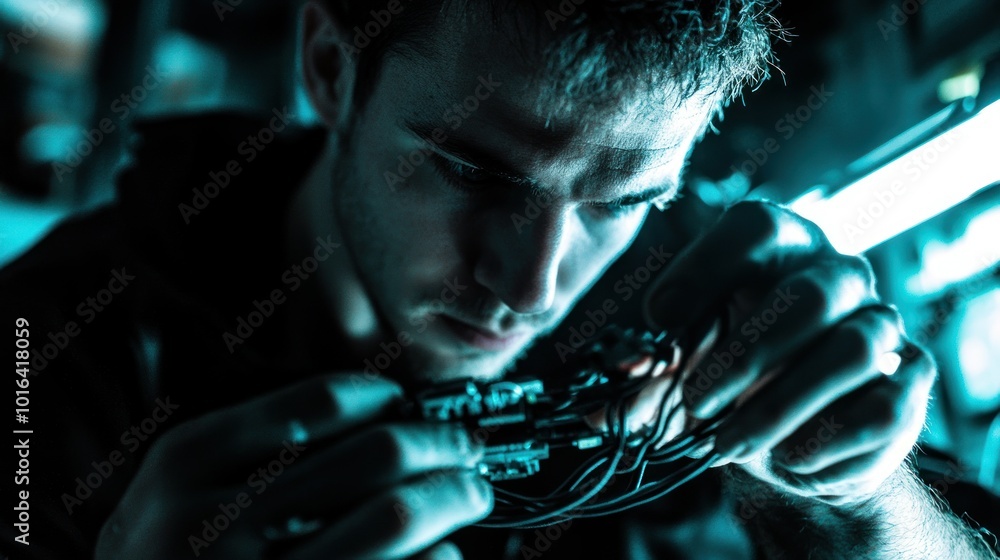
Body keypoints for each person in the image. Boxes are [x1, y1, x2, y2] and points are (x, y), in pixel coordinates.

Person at [2, 1, 998, 558]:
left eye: (623, 195)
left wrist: (865, 501)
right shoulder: (45, 340)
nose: (529, 280)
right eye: (473, 172)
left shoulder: (720, 299)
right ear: (329, 69)